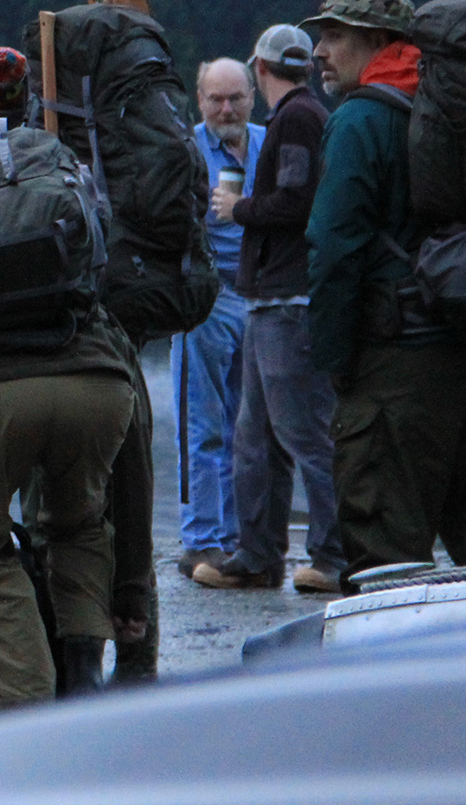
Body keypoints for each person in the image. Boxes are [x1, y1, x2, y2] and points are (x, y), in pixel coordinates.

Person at [304, 0, 466, 586]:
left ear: (380, 43)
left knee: (388, 562)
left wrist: (332, 359)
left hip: (398, 365)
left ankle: (396, 681)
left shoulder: (360, 119)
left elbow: (332, 248)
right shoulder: (465, 111)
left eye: (335, 36)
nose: (319, 51)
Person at [0, 49, 139, 706]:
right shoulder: (65, 162)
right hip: (95, 383)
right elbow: (102, 256)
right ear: (26, 103)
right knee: (77, 523)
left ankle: (29, 705)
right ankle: (82, 678)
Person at [197, 25, 341, 593]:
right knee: (253, 438)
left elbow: (298, 202)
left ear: (259, 69)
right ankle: (256, 557)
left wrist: (239, 208)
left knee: (305, 435)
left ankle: (333, 556)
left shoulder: (300, 118)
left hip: (290, 302)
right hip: (267, 301)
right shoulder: (297, 114)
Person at [172, 61, 259, 578]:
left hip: (264, 296)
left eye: (236, 98)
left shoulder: (270, 143)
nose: (226, 109)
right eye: (215, 99)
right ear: (199, 99)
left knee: (249, 430)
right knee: (202, 426)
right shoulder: (186, 150)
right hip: (207, 296)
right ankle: (202, 539)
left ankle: (239, 539)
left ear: (253, 96)